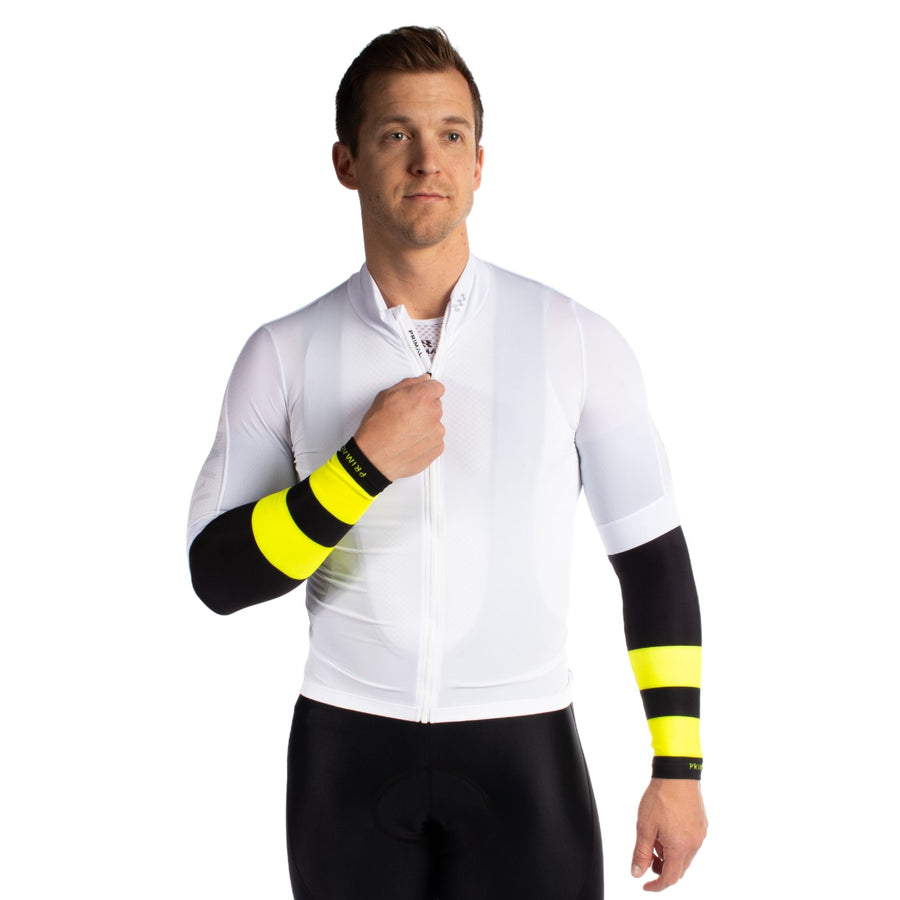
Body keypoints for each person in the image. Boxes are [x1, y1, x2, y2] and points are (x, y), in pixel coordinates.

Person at [187, 26, 707, 899]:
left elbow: (652, 561)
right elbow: (218, 576)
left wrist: (678, 768)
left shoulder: (575, 340)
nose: (428, 159)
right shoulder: (282, 353)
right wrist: (360, 468)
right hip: (347, 754)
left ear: (479, 163)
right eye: (397, 133)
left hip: (525, 753)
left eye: (451, 134)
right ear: (346, 161)